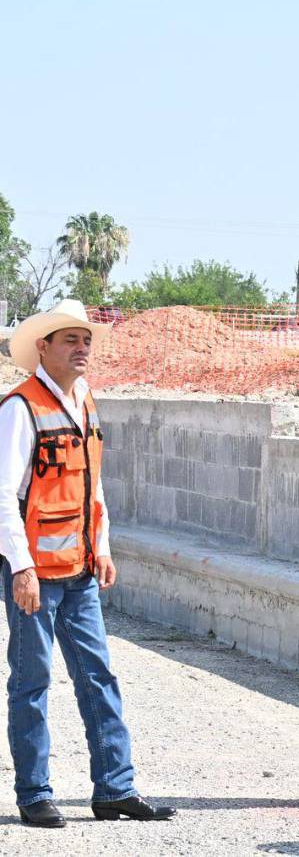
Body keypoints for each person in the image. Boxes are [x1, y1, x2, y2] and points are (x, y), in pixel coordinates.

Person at [0, 299, 176, 827]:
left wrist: (103, 544)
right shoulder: (19, 407)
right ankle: (34, 794)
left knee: (98, 676)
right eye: (70, 340)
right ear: (43, 348)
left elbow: (91, 484)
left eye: (87, 341)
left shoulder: (85, 403)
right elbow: (4, 494)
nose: (82, 349)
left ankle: (114, 789)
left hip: (79, 570)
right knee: (32, 682)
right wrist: (21, 567)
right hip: (35, 576)